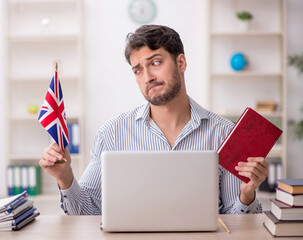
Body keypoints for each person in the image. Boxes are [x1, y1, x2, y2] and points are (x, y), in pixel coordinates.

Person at [39, 25, 268, 215]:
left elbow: (235, 221)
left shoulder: (224, 133)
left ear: (181, 63)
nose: (147, 77)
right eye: (138, 70)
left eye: (155, 63)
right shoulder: (112, 133)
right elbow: (86, 211)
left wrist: (247, 195)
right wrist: (65, 177)